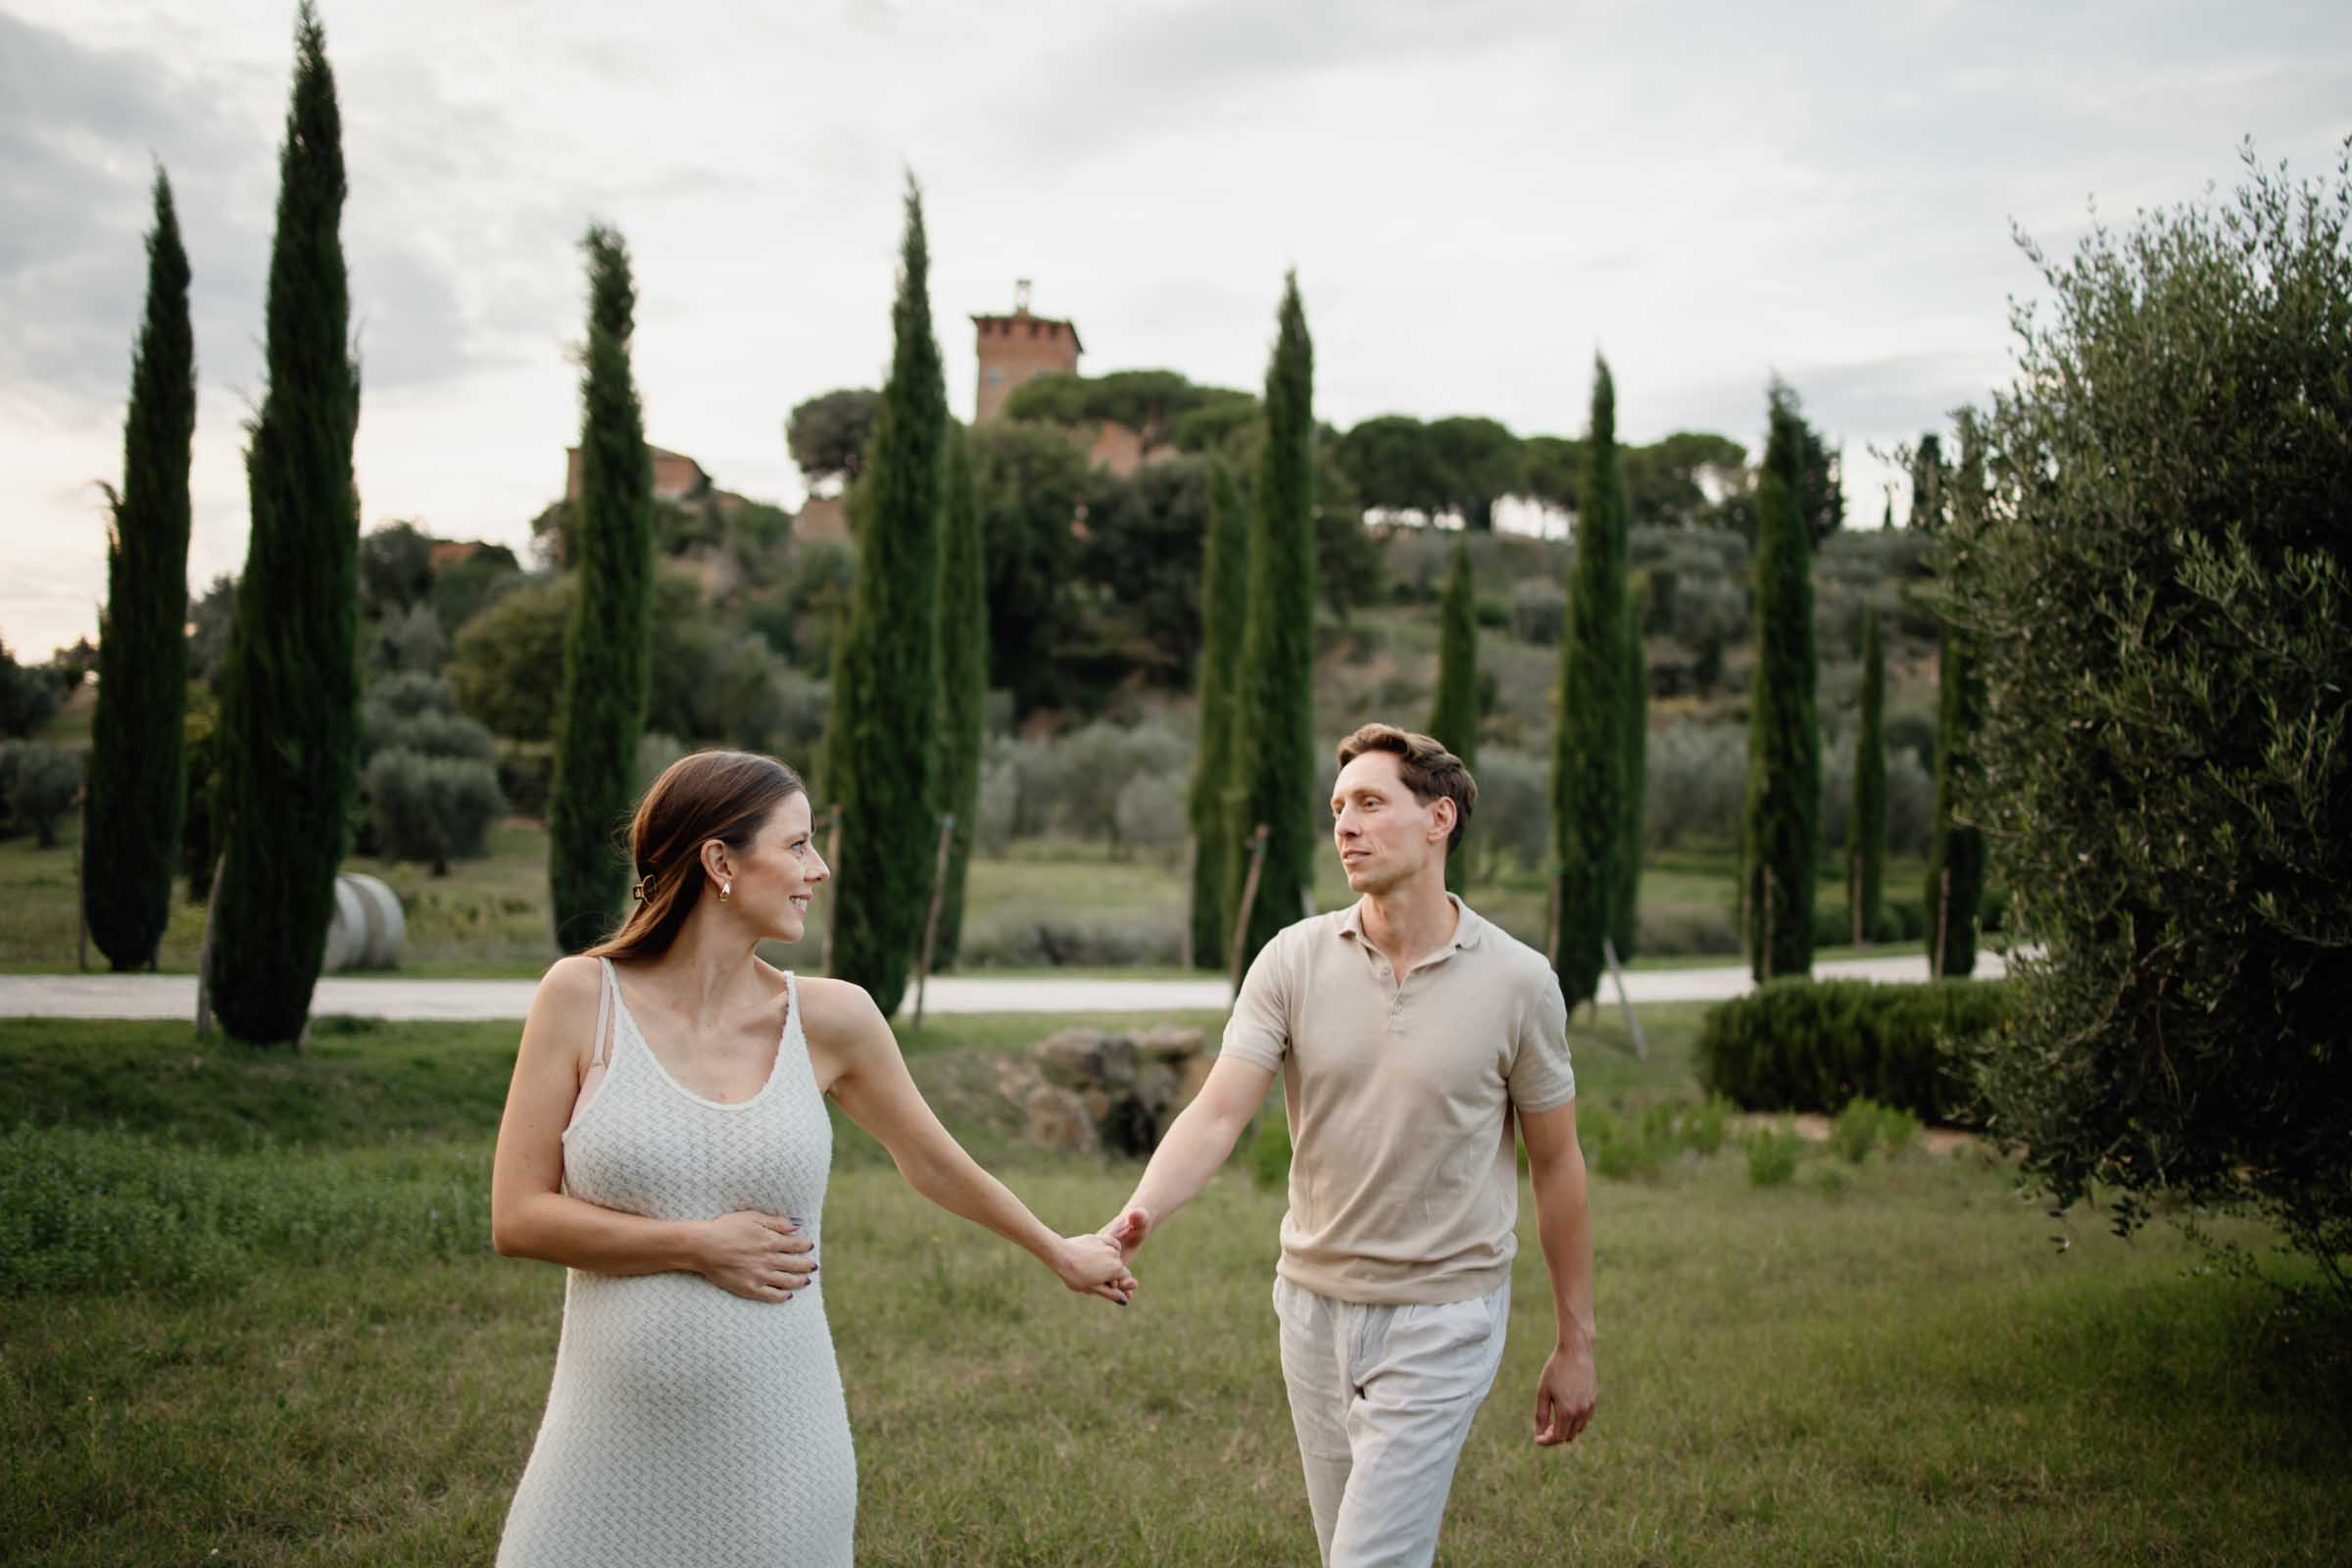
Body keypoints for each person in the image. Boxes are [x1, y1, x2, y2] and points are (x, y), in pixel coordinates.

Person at [491, 750, 1135, 1567]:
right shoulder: (581, 998)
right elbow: (516, 1216)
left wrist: (1058, 1249)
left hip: (780, 1447)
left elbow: (934, 1161)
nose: (818, 869)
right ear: (720, 861)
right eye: (796, 846)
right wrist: (696, 1245)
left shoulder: (833, 1018)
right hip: (606, 1438)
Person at [1103, 722, 1597, 1568]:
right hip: (1311, 1307)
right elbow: (1219, 1112)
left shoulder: (1519, 981)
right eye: (1338, 808)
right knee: (1351, 1549)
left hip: (1444, 1313)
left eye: (1370, 803)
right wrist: (1139, 1210)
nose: (1345, 826)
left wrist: (1576, 1342)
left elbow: (1556, 1164)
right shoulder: (1292, 960)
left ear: (1439, 819)